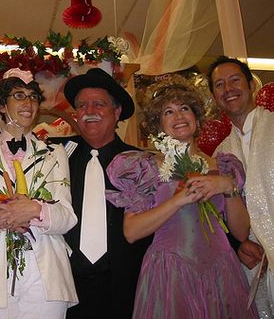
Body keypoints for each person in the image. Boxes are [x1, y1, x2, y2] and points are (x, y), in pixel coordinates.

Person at [105, 81, 257, 318]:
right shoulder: (145, 167)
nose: (178, 116)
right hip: (170, 274)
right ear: (159, 124)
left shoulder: (224, 166)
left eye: (184, 108)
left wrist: (227, 186)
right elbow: (131, 231)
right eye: (168, 111)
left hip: (221, 272)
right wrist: (178, 199)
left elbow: (240, 233)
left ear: (196, 117)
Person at [0, 68, 78, 318]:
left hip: (45, 276)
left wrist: (35, 210)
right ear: (2, 105)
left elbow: (67, 218)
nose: (28, 103)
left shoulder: (55, 154)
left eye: (33, 97)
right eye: (19, 96)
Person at [56, 67, 152, 319]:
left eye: (98, 104)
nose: (89, 112)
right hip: (68, 291)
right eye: (82, 106)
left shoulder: (141, 161)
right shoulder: (57, 160)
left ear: (117, 111)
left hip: (128, 289)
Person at [208, 55, 274, 318]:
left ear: (250, 85)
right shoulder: (221, 152)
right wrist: (239, 243)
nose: (228, 89)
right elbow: (221, 216)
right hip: (254, 262)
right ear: (214, 97)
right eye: (220, 85)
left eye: (235, 80)